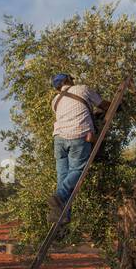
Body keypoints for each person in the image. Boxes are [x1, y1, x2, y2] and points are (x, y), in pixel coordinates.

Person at [49, 73, 107, 220]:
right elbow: (102, 105)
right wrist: (118, 105)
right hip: (78, 135)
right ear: (68, 80)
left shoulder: (55, 101)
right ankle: (59, 196)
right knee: (78, 170)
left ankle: (62, 214)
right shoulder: (82, 89)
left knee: (62, 176)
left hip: (59, 139)